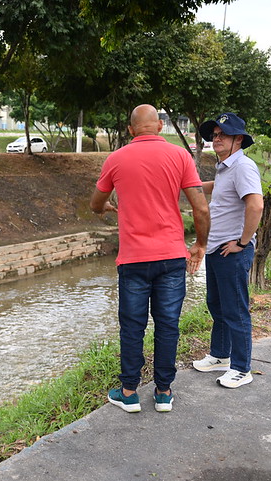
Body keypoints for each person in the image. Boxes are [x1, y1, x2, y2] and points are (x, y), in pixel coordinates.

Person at [91, 104, 210, 413]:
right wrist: (199, 244)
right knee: (168, 325)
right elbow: (200, 208)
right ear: (159, 126)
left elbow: (95, 203)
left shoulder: (116, 159)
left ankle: (129, 392)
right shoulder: (181, 156)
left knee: (132, 327)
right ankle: (163, 393)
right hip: (172, 256)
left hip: (133, 260)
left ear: (131, 130)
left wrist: (105, 208)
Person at [191, 112, 263, 389]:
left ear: (239, 140)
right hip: (217, 249)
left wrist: (243, 242)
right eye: (215, 134)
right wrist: (188, 188)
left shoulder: (243, 166)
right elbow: (218, 188)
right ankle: (221, 355)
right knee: (218, 306)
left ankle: (242, 368)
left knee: (235, 310)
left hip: (232, 250)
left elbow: (255, 205)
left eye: (223, 134)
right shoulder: (226, 167)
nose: (216, 138)